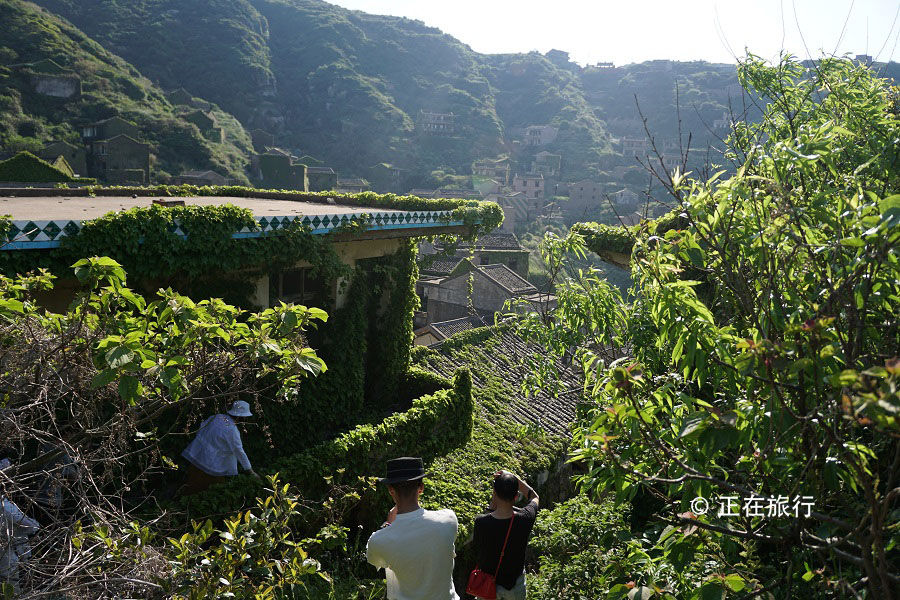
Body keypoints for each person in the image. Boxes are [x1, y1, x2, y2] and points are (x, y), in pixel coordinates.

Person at [366, 456, 460, 600]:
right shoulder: (449, 519)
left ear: (391, 490)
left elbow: (375, 561)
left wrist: (388, 525)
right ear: (421, 488)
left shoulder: (380, 540)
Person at [471, 470, 540, 600]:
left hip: (488, 587)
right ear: (516, 496)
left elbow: (479, 553)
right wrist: (516, 479)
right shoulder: (526, 518)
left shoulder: (481, 522)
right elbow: (534, 497)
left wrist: (493, 502)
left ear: (495, 494)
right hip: (514, 586)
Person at [181, 400, 261, 495]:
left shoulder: (217, 417)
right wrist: (250, 471)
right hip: (212, 464)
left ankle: (184, 501)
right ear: (241, 417)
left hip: (198, 455)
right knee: (207, 490)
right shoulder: (232, 430)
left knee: (192, 483)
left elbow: (201, 428)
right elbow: (239, 451)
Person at [0, 496, 40, 593]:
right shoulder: (6, 507)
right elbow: (32, 526)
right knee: (12, 589)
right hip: (11, 555)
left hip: (10, 553)